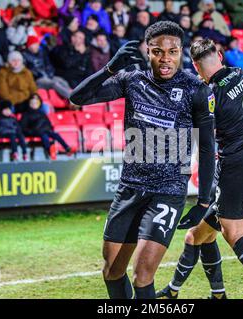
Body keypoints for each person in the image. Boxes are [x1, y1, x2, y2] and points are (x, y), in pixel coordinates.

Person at [69, 21, 216, 299]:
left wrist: (204, 201)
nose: (165, 59)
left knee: (142, 275)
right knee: (111, 270)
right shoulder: (132, 80)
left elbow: (207, 147)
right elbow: (77, 97)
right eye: (158, 51)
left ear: (181, 52)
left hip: (168, 190)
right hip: (130, 188)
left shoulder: (195, 89)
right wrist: (110, 68)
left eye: (172, 52)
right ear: (147, 51)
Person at [157, 45, 243, 299]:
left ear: (196, 66)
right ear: (220, 56)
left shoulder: (209, 95)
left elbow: (202, 137)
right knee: (236, 228)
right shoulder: (239, 73)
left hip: (237, 168)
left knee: (232, 231)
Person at [20, 93, 72, 160]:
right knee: (45, 136)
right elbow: (23, 127)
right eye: (32, 103)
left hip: (45, 130)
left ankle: (67, 148)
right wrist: (32, 132)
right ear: (29, 103)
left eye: (36, 103)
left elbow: (48, 123)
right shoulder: (26, 114)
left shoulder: (42, 113)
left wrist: (48, 128)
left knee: (55, 134)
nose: (34, 104)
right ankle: (49, 151)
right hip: (36, 132)